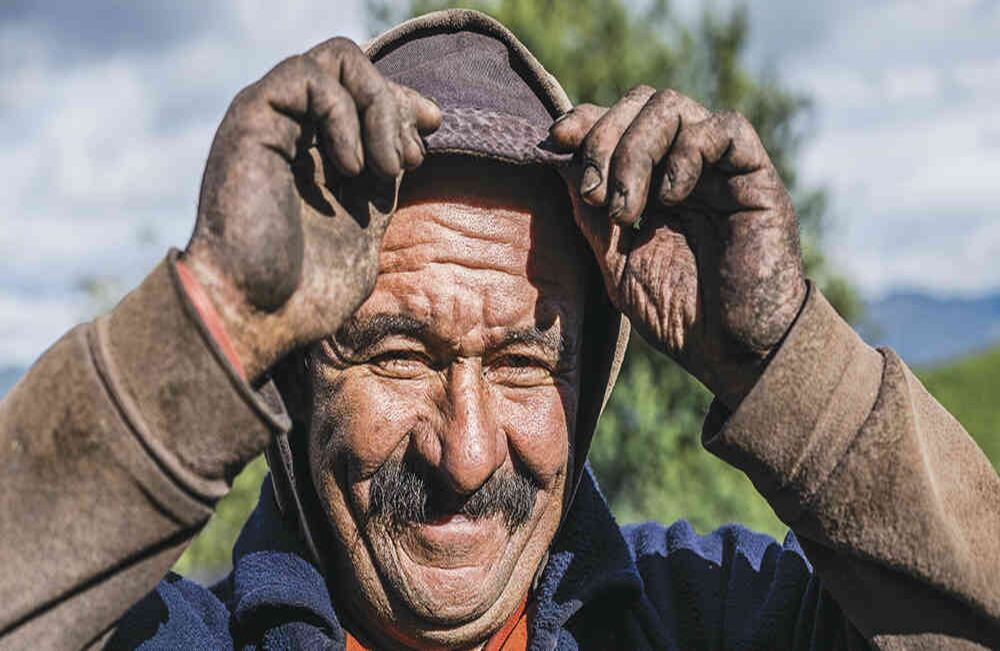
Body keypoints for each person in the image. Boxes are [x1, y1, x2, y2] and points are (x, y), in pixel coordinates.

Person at [1, 9, 997, 650]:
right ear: (297, 385)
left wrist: (786, 361)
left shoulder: (713, 619)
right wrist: (211, 319)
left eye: (524, 361)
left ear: (584, 387)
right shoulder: (162, 640)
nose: (467, 454)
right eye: (395, 353)